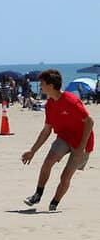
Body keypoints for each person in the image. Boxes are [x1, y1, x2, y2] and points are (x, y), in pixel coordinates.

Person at [21, 69, 94, 211]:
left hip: (82, 142)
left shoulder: (71, 101)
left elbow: (90, 121)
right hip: (65, 137)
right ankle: (37, 195)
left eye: (41, 83)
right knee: (48, 161)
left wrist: (81, 147)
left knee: (66, 175)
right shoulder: (49, 105)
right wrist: (32, 151)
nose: (40, 86)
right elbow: (46, 130)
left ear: (51, 85)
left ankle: (54, 204)